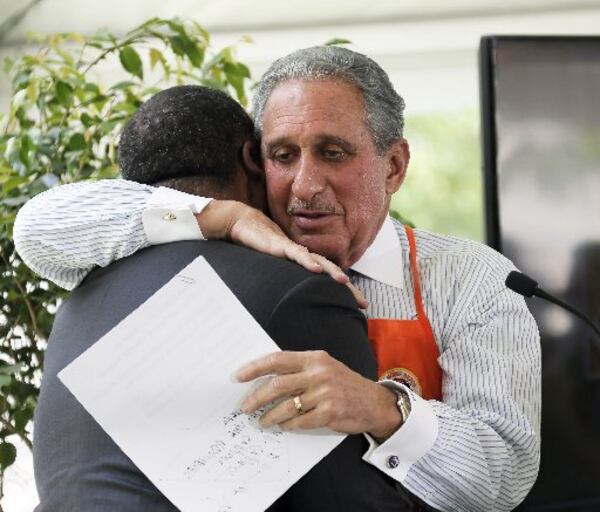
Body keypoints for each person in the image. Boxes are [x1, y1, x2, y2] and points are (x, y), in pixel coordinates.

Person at [15, 47, 541, 512]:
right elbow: (38, 227)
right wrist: (224, 216)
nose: (304, 186)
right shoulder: (229, 256)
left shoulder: (470, 279)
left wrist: (382, 408)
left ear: (394, 167)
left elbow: (503, 477)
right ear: (254, 159)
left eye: (333, 153)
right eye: (283, 156)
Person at [25, 85, 408, 511]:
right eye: (281, 157)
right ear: (252, 160)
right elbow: (349, 502)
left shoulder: (79, 301)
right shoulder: (297, 291)